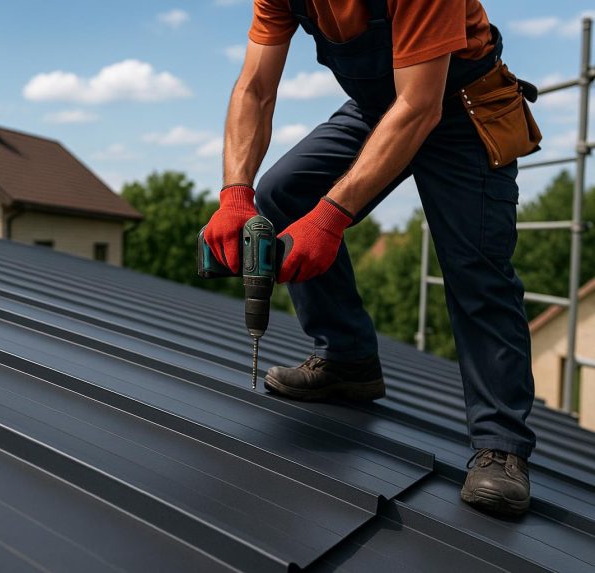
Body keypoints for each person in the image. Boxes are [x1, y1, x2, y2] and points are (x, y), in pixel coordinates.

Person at [203, 0, 539, 517]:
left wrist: (331, 218)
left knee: (476, 268)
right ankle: (348, 360)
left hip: (460, 109)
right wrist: (234, 193)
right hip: (379, 108)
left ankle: (502, 446)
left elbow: (421, 106)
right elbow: (254, 87)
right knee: (282, 193)